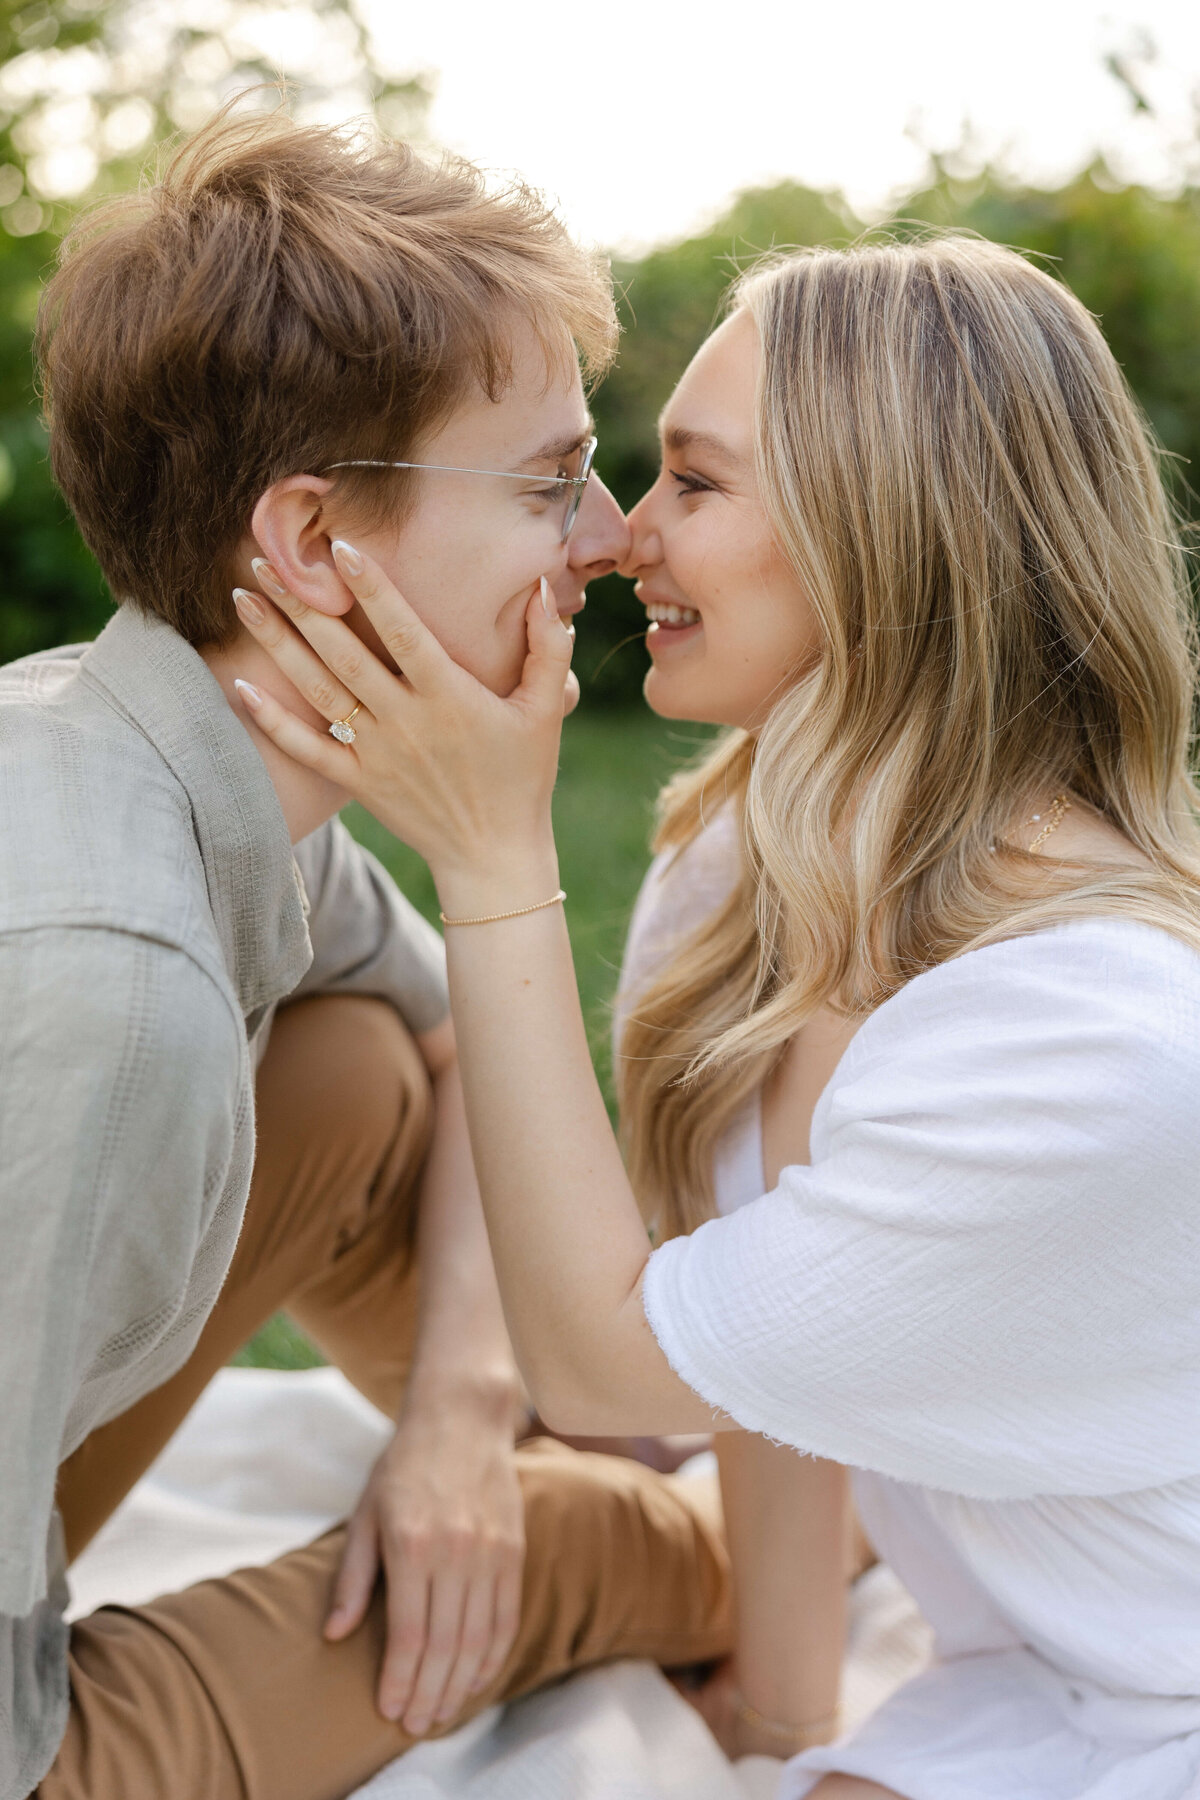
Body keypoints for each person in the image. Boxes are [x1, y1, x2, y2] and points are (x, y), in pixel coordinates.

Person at [239, 233, 1200, 1800]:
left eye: (693, 481)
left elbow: (608, 1369)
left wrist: (493, 857)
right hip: (1020, 1672)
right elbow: (770, 1368)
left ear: (880, 532)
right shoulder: (736, 865)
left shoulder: (1088, 1041)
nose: (621, 539)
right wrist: (776, 1706)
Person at [0, 109, 734, 1800]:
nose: (611, 536)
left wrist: (460, 1426)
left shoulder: (176, 759)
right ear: (313, 547)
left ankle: (576, 1436)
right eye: (553, 481)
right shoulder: (112, 997)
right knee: (579, 1552)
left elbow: (457, 1059)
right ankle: (704, 1534)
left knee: (345, 1062)